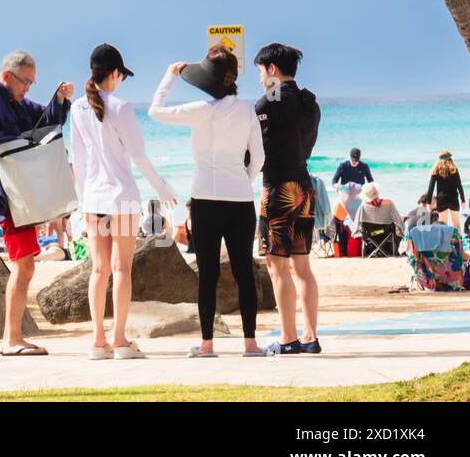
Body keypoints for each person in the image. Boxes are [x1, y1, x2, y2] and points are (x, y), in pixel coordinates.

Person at [148, 46, 266, 358]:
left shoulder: (201, 109)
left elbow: (154, 111)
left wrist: (169, 76)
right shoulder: (247, 110)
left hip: (205, 199)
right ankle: (250, 344)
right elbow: (260, 157)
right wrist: (242, 181)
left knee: (208, 274)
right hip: (240, 200)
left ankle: (207, 345)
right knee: (244, 272)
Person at [71, 43, 177, 361]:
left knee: (98, 271)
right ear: (114, 73)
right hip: (122, 199)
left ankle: (97, 342)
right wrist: (162, 188)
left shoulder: (77, 108)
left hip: (93, 198)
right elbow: (140, 156)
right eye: (121, 76)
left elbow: (78, 159)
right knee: (122, 270)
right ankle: (119, 341)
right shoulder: (121, 107)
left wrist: (80, 198)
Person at [0, 49, 73, 357]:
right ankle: (11, 340)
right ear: (7, 77)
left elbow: (44, 123)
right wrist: (27, 141)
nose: (28, 88)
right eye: (25, 82)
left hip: (23, 194)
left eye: (31, 83)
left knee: (26, 263)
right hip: (8, 195)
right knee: (24, 265)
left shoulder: (13, 100)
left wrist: (58, 100)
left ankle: (12, 338)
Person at [253, 43, 322, 355]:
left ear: (271, 69)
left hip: (279, 188)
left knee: (276, 266)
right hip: (305, 187)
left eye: (259, 71)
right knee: (302, 266)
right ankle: (309, 336)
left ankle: (288, 338)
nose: (259, 78)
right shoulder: (310, 102)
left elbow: (255, 151)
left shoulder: (267, 102)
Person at [351, 181, 405, 246]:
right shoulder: (389, 203)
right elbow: (397, 220)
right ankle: (394, 249)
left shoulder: (363, 206)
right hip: (387, 233)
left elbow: (357, 224)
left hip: (370, 234)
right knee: (400, 224)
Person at [424, 152, 464, 228]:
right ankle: (459, 240)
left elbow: (430, 188)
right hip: (453, 199)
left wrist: (428, 202)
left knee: (443, 225)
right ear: (450, 160)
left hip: (441, 200)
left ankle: (444, 240)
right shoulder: (454, 170)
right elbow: (459, 186)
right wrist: (463, 199)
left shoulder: (436, 171)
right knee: (456, 225)